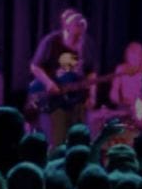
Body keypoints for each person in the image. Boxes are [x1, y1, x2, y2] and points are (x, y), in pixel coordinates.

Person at [30, 11, 97, 148]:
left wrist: (92, 95)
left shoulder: (86, 44)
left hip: (78, 100)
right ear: (67, 29)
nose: (78, 39)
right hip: (54, 100)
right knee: (57, 141)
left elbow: (91, 73)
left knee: (80, 141)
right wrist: (49, 83)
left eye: (81, 35)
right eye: (75, 35)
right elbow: (35, 66)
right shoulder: (51, 41)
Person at [110, 42, 142, 131]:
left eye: (136, 57)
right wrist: (118, 99)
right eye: (131, 57)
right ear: (127, 57)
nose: (134, 60)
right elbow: (113, 93)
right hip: (126, 107)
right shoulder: (121, 69)